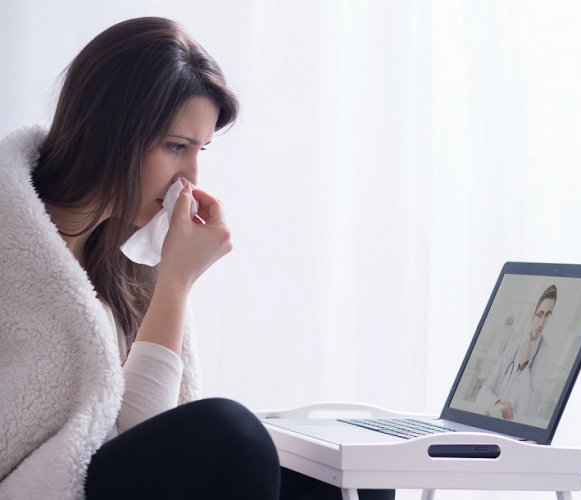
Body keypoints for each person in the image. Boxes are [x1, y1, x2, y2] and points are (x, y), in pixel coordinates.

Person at [0, 17, 393, 500]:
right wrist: (177, 279)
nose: (190, 178)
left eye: (200, 150)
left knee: (354, 476)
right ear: (109, 132)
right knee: (228, 434)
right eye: (176, 147)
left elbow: (147, 444)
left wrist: (168, 275)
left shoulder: (127, 258)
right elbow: (150, 448)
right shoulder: (13, 253)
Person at [475, 285, 557, 420]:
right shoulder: (514, 345)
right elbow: (481, 393)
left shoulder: (544, 352)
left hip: (514, 423)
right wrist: (498, 403)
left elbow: (524, 408)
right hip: (495, 416)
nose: (541, 323)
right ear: (533, 317)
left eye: (547, 315)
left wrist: (524, 364)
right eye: (540, 314)